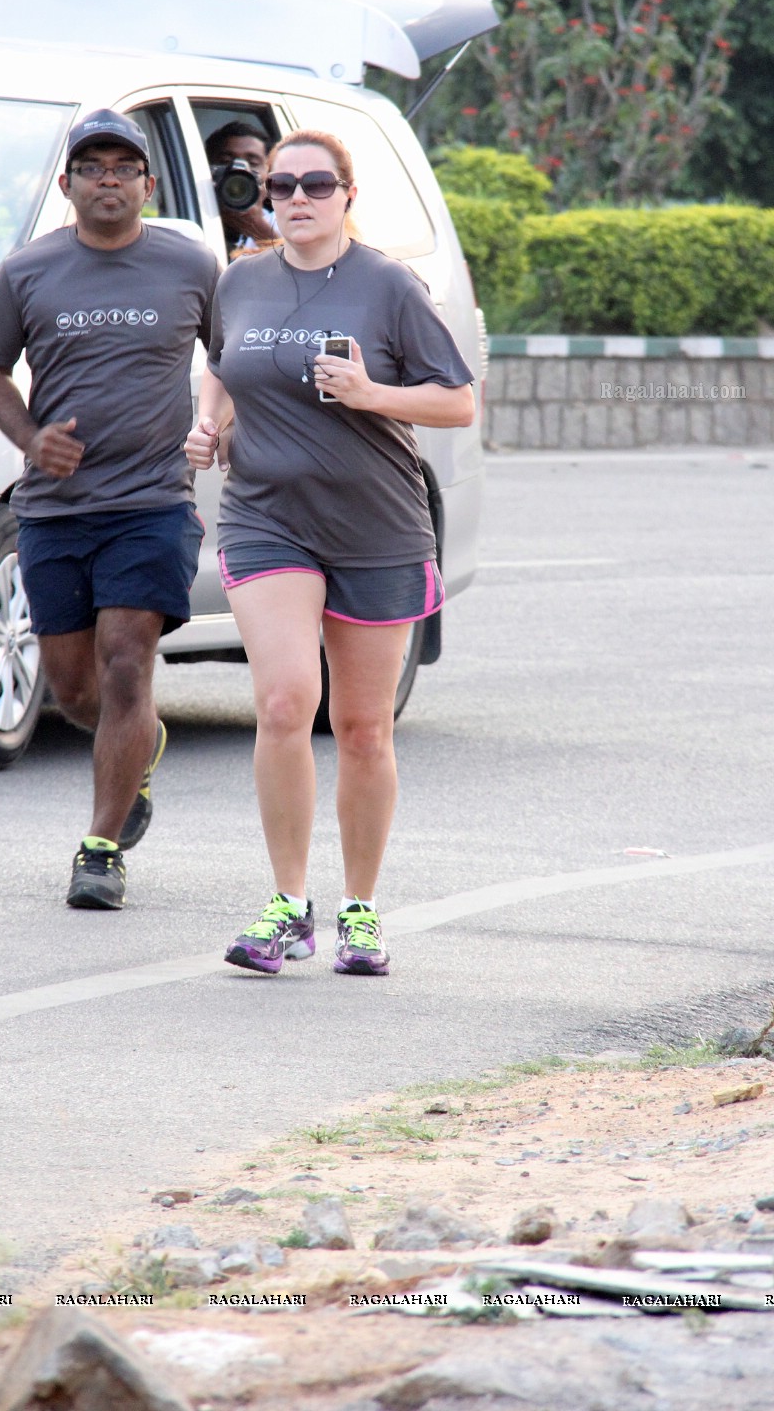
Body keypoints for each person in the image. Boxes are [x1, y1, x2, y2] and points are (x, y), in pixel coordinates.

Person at [184, 130, 476, 975]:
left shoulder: (388, 285)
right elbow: (222, 362)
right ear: (266, 196)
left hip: (376, 524)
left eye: (317, 184)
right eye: (281, 185)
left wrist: (372, 394)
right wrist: (213, 426)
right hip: (266, 516)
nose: (298, 198)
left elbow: (457, 402)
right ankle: (286, 908)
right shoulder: (240, 281)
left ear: (348, 194)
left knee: (360, 728)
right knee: (283, 703)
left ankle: (361, 910)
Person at [0, 109, 218, 910]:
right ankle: (139, 749)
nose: (108, 177)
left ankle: (101, 850)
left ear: (149, 184)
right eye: (93, 166)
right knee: (74, 688)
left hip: (151, 503)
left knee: (123, 664)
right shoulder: (29, 271)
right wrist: (32, 440)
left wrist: (221, 424)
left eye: (124, 166)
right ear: (69, 185)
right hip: (54, 510)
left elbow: (235, 354)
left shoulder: (189, 266)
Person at [204, 120, 276, 255]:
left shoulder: (284, 224)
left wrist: (257, 227)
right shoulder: (192, 215)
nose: (240, 171)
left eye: (253, 163)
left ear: (269, 177)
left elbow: (303, 269)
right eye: (225, 162)